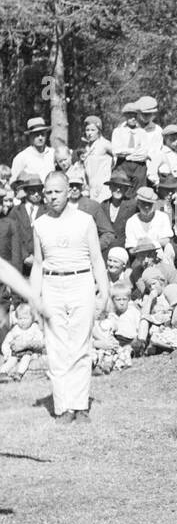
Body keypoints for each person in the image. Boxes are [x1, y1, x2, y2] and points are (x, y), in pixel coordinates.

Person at [29, 172, 110, 422]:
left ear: (68, 192)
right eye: (48, 192)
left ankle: (80, 405)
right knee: (56, 347)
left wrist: (104, 290)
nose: (52, 197)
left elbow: (96, 258)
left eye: (57, 191)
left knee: (80, 344)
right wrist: (34, 298)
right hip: (52, 284)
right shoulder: (40, 224)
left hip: (81, 281)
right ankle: (63, 407)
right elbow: (38, 263)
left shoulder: (85, 220)